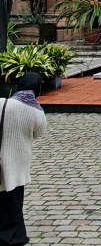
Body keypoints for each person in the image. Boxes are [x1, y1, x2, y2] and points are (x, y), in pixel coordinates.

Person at [0, 73, 47, 246]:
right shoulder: (36, 112)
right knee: (13, 200)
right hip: (17, 161)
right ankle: (12, 236)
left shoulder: (3, 102)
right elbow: (38, 133)